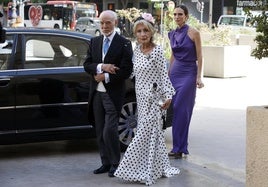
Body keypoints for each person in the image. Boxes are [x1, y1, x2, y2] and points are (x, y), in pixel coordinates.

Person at [114, 13, 180, 186]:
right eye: (139, 31)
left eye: (145, 31)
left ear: (151, 32)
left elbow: (163, 75)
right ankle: (156, 167)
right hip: (140, 97)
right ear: (135, 34)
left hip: (154, 98)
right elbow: (132, 72)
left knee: (144, 133)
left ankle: (131, 168)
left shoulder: (157, 51)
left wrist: (168, 96)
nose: (142, 34)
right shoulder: (137, 51)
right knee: (154, 134)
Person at [83, 10, 133, 178]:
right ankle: (105, 163)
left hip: (113, 93)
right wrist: (102, 67)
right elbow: (87, 64)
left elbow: (126, 70)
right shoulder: (94, 41)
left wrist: (105, 76)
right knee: (99, 130)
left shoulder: (124, 43)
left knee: (109, 130)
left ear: (115, 23)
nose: (104, 26)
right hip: (96, 92)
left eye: (108, 23)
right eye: (102, 23)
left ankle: (115, 163)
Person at [167, 5, 204, 159]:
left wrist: (199, 77)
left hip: (189, 73)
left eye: (180, 14)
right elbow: (173, 55)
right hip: (175, 73)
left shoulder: (194, 33)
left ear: (186, 16)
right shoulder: (172, 34)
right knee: (175, 109)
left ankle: (179, 147)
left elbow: (200, 56)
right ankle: (178, 147)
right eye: (175, 14)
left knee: (182, 109)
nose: (177, 17)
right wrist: (168, 74)